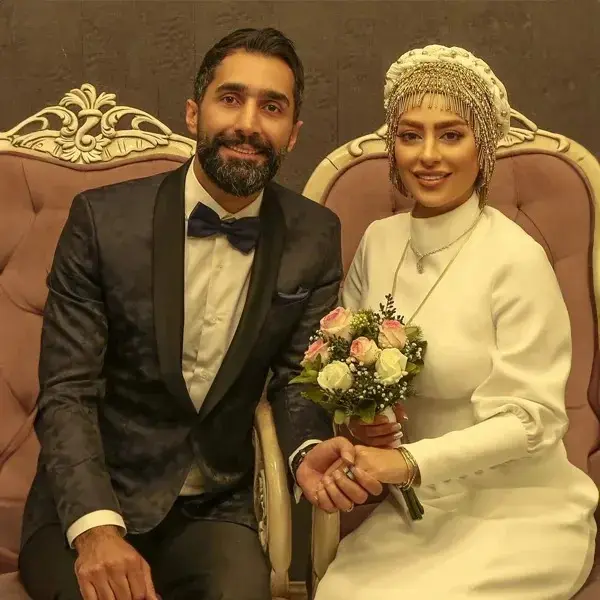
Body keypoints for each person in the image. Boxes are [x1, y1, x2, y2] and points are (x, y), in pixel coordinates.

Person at [18, 28, 381, 600]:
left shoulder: (313, 234)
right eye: (230, 98)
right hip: (93, 502)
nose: (248, 123)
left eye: (272, 107)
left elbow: (295, 377)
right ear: (194, 113)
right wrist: (96, 530)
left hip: (215, 507)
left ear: (292, 134)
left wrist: (306, 453)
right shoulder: (103, 222)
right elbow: (67, 390)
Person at [313, 45, 599, 600]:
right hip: (417, 513)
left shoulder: (516, 258)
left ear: (482, 146)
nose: (428, 156)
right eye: (410, 135)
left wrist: (405, 461)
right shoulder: (379, 240)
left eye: (451, 135)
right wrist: (359, 424)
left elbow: (530, 420)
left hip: (519, 513)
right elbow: (343, 360)